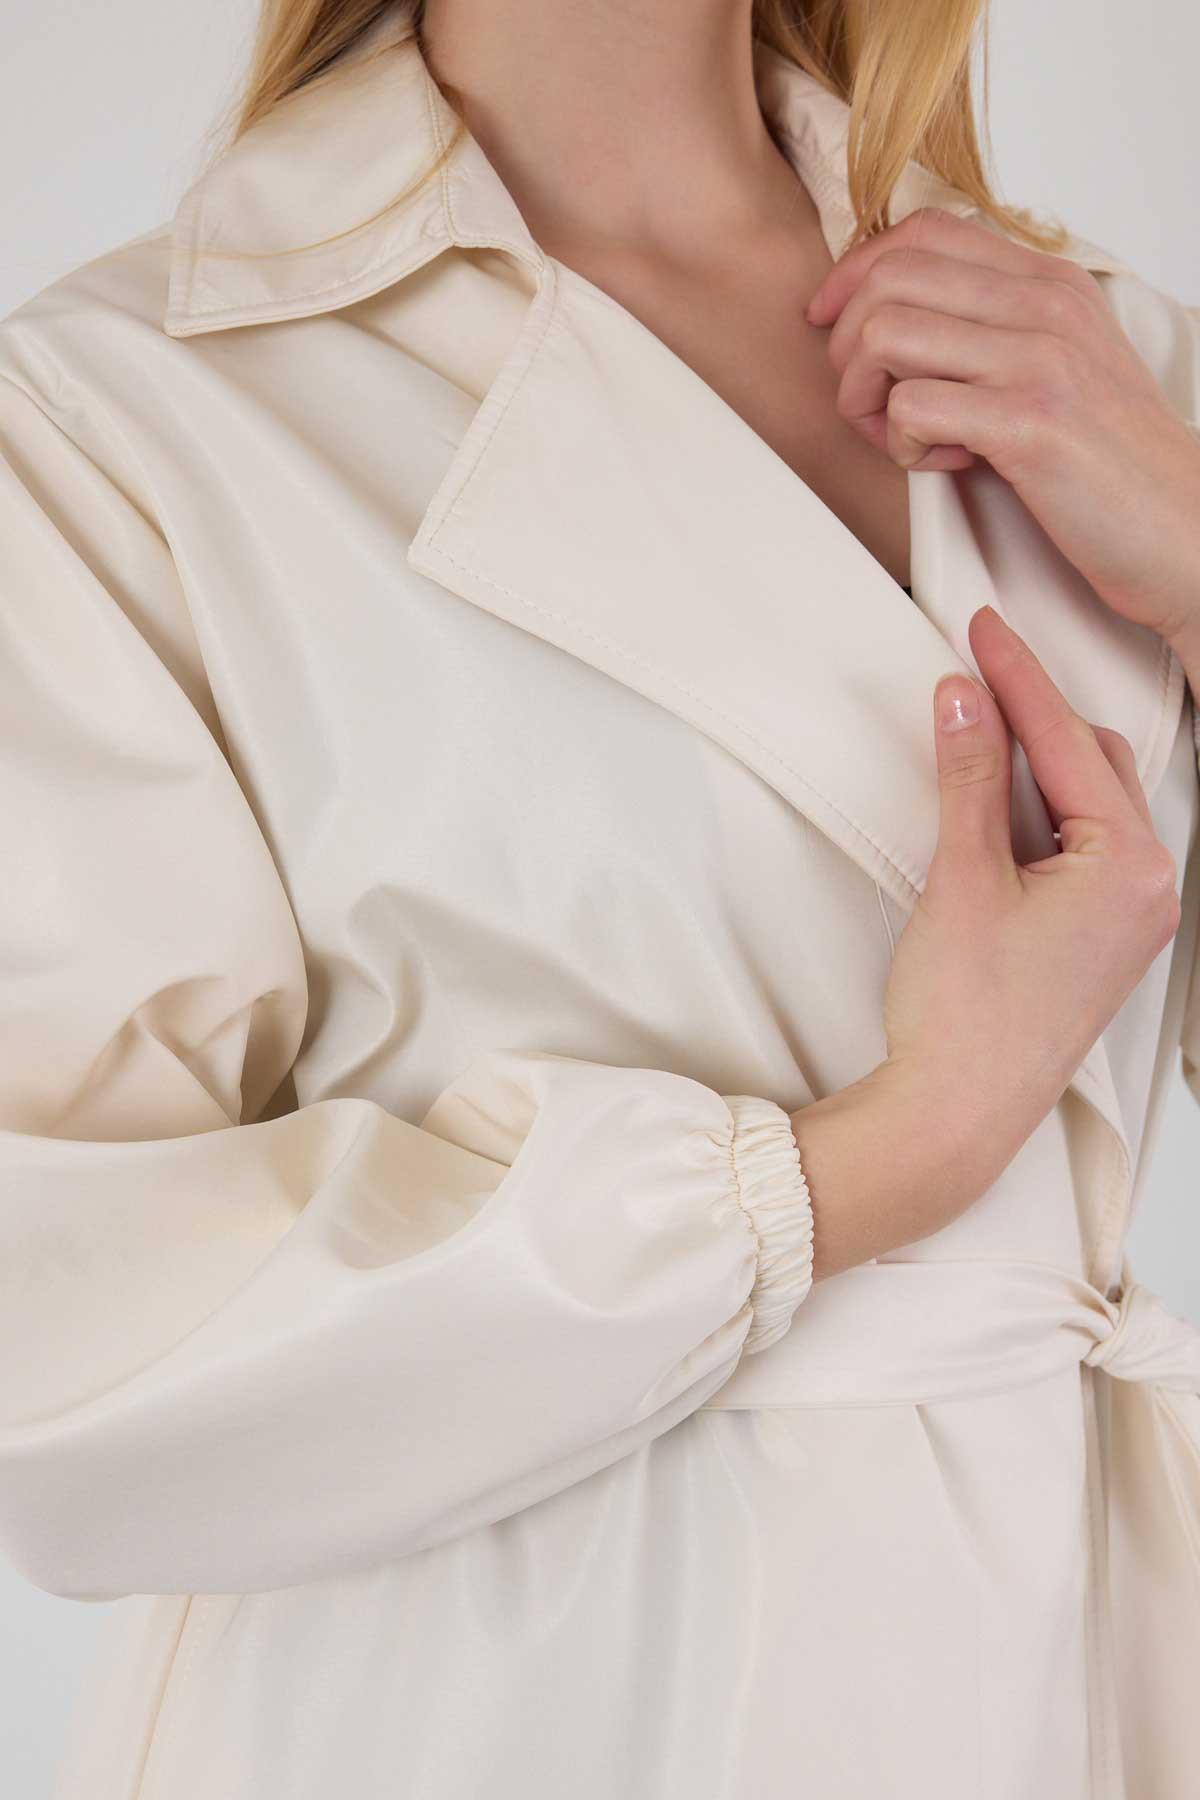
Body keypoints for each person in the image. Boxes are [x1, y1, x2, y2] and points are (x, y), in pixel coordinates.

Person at [2, 1, 1199, 1795]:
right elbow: (61, 1347)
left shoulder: (1095, 354)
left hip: (1057, 1684)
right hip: (501, 1703)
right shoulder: (121, 413)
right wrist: (888, 1154)